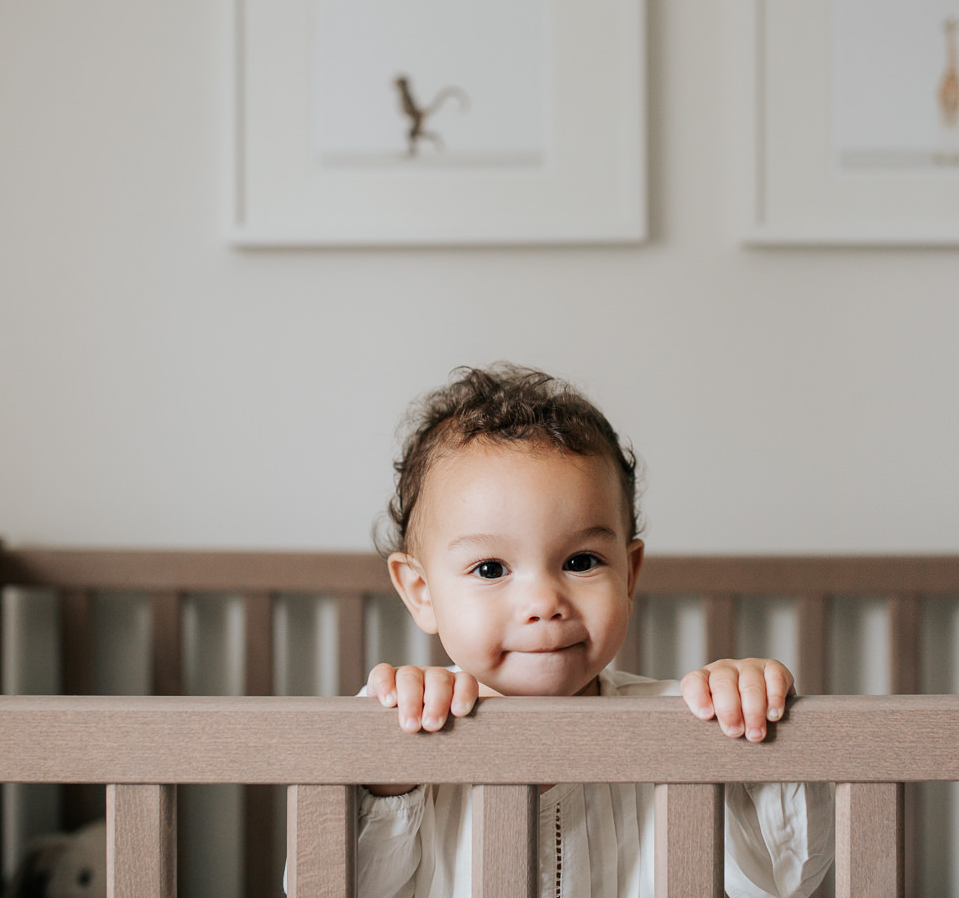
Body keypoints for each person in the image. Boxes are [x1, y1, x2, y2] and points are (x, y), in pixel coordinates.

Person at [356, 364, 832, 898]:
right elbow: (332, 883)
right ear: (421, 592)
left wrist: (756, 734)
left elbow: (789, 879)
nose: (543, 603)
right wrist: (388, 780)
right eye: (490, 568)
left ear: (629, 573)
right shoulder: (401, 717)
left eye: (581, 561)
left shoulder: (690, 721)